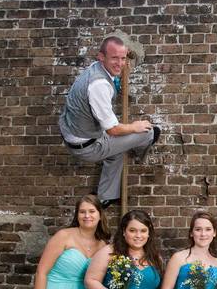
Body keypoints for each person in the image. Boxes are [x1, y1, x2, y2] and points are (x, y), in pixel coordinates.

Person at [58, 34, 161, 208]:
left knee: (116, 151)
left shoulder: (95, 68)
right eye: (114, 58)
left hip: (75, 133)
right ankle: (138, 150)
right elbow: (113, 130)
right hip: (87, 147)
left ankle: (106, 196)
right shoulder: (99, 84)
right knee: (150, 132)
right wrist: (134, 127)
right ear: (101, 57)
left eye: (122, 58)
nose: (119, 64)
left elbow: (113, 78)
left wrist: (118, 70)